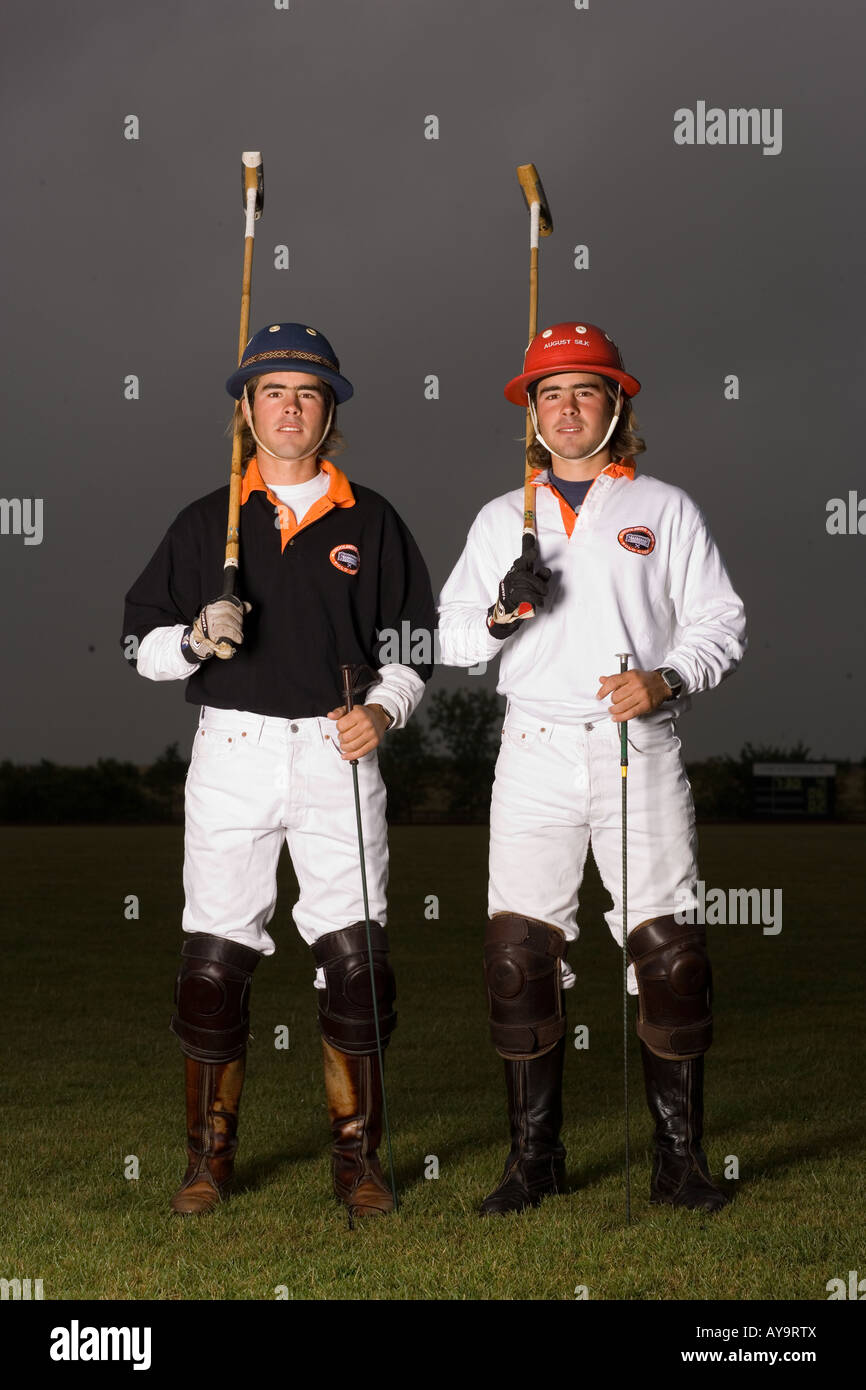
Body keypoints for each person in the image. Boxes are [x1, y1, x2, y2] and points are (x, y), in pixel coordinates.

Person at [121, 322, 436, 1221]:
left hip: (338, 749)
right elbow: (135, 644)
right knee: (215, 962)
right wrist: (191, 639)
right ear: (246, 411)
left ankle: (358, 1159)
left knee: (357, 961)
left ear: (329, 408)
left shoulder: (370, 519)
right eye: (271, 392)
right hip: (235, 749)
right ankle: (208, 1160)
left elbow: (415, 643)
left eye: (306, 392)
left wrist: (386, 709)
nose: (288, 407)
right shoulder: (204, 520)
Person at [437, 321, 747, 1216]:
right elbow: (451, 640)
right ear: (531, 413)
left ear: (617, 403)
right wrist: (504, 611)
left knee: (672, 955)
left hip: (635, 748)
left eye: (586, 390)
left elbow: (718, 622)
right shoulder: (505, 518)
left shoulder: (665, 508)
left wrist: (667, 677)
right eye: (550, 393)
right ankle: (536, 1161)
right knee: (518, 957)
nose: (567, 408)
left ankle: (678, 1161)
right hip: (533, 748)